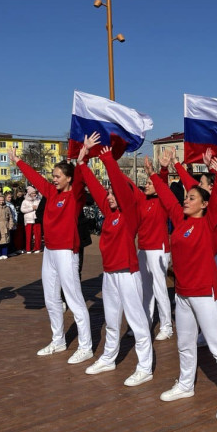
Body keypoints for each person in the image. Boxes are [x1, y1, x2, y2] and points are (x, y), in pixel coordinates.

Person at [146, 144, 217, 420]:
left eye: (191, 197)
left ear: (203, 203)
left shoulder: (211, 222)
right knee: (184, 344)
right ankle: (186, 384)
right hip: (183, 294)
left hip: (204, 293)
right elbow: (165, 197)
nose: (185, 200)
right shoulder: (180, 220)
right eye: (185, 197)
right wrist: (159, 172)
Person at [76, 134, 154, 385]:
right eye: (108, 193)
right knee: (111, 321)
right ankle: (109, 358)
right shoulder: (110, 213)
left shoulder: (130, 214)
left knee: (137, 321)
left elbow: (120, 188)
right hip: (110, 273)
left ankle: (145, 367)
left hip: (127, 273)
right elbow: (94, 187)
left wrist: (109, 160)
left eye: (113, 193)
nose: (109, 195)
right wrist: (82, 160)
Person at [9, 147, 93, 364]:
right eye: (53, 176)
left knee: (74, 299)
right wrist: (18, 161)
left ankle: (86, 346)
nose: (54, 179)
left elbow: (81, 181)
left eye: (58, 176)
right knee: (51, 298)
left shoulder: (74, 196)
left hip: (67, 252)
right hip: (50, 251)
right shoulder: (51, 192)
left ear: (68, 178)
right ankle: (58, 340)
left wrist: (82, 160)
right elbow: (35, 179)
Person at [124, 148, 173, 341]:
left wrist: (161, 169)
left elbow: (162, 183)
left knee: (160, 288)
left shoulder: (162, 200)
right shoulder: (142, 200)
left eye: (150, 183)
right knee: (144, 289)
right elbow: (125, 183)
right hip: (143, 249)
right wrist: (109, 160)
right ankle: (144, 323)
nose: (147, 184)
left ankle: (167, 326)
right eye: (146, 182)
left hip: (159, 250)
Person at [20, 186, 42, 253]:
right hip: (28, 220)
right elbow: (22, 210)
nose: (34, 194)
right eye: (33, 193)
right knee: (28, 235)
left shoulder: (38, 200)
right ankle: (28, 249)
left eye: (35, 193)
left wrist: (37, 208)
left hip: (36, 219)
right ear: (29, 194)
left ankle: (37, 248)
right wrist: (32, 208)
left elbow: (41, 208)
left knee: (38, 234)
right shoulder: (25, 201)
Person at [0, 194, 14, 260]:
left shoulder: (7, 208)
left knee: (5, 241)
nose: (1, 201)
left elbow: (10, 217)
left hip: (5, 226)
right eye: (0, 200)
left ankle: (4, 253)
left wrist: (11, 225)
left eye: (2, 200)